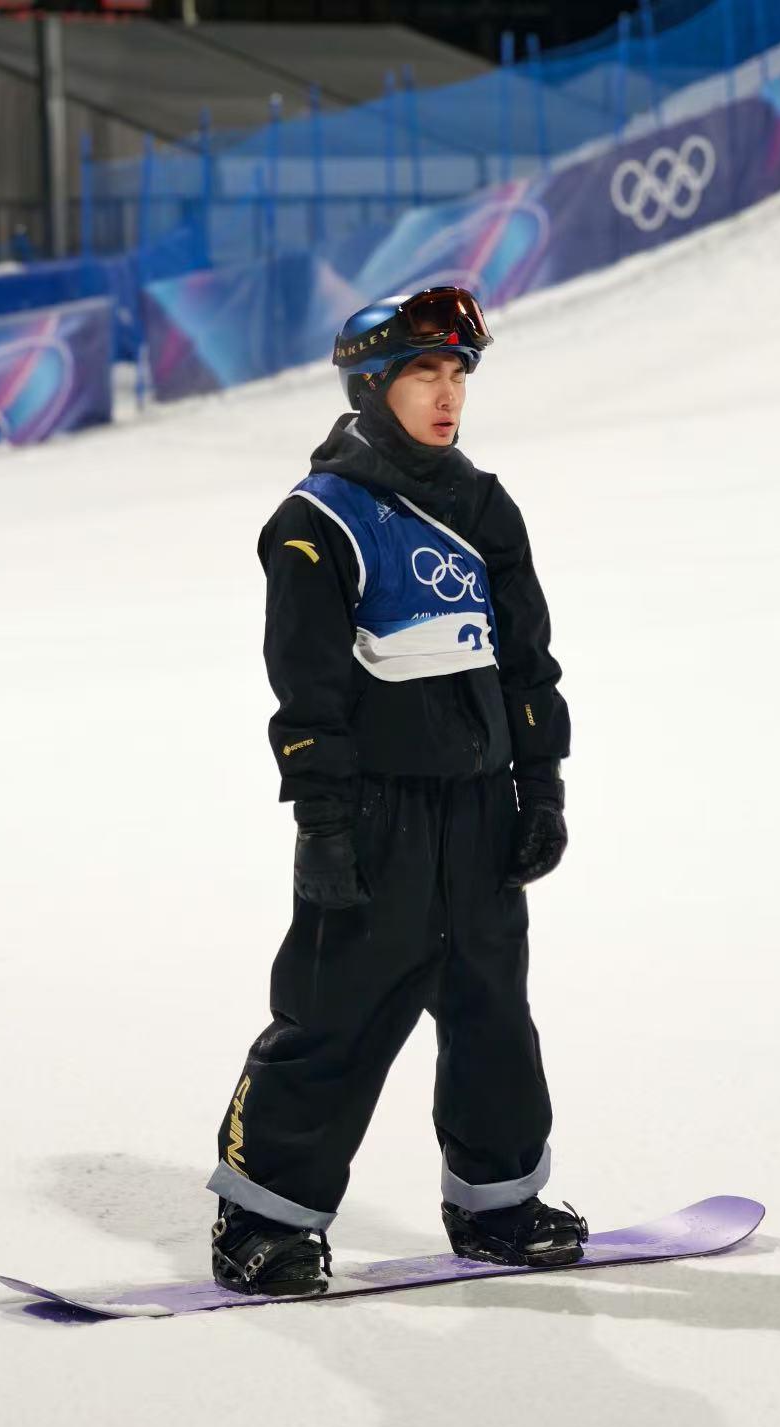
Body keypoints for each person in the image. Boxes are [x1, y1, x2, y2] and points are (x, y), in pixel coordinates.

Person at [207, 284, 583, 1296]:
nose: (448, 392)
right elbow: (309, 694)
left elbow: (526, 662)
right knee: (338, 1014)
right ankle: (265, 1218)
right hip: (373, 814)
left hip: (478, 809)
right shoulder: (317, 521)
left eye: (459, 372)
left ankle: (500, 1202)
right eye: (424, 371)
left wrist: (538, 787)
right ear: (373, 386)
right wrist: (324, 823)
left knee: (492, 1007)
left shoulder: (484, 505)